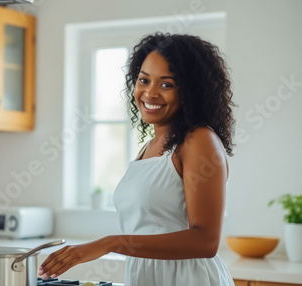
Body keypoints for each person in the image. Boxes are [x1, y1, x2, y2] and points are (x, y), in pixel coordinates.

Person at [38, 32, 236, 285]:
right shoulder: (150, 147)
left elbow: (205, 241)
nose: (149, 93)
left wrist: (111, 243)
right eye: (144, 80)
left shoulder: (198, 140)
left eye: (167, 84)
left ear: (190, 91)